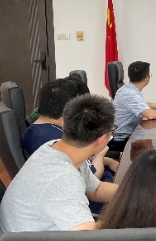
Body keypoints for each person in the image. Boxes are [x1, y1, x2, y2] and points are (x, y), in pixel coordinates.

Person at [0, 94, 119, 234]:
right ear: (102, 139)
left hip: (33, 239)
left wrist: (135, 194)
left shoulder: (56, 148)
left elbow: (95, 190)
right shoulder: (63, 177)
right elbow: (85, 236)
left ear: (65, 123)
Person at [21, 78, 119, 214]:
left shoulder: (52, 141)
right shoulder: (58, 146)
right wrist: (100, 156)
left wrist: (135, 193)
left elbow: (94, 187)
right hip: (82, 209)